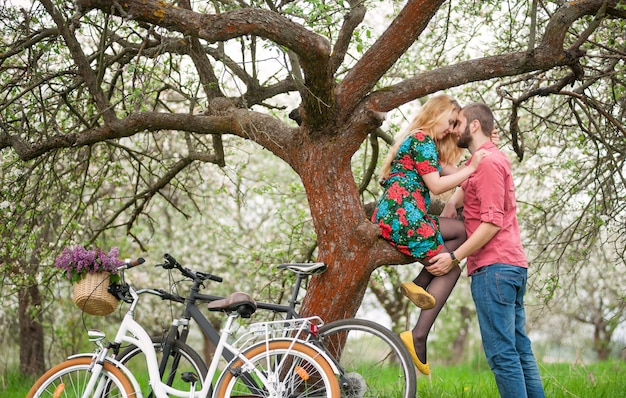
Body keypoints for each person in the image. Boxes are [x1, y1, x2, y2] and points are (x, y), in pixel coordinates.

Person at [430, 102, 545, 397]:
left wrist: (454, 257)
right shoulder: (485, 161)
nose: (453, 130)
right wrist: (454, 202)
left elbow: (491, 223)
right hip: (508, 267)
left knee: (502, 355)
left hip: (495, 269)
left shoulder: (490, 164)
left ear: (475, 126)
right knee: (519, 350)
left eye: (458, 124)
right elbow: (470, 183)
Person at [371, 94, 489, 375]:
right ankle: (418, 336)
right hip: (405, 217)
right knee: (450, 270)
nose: (450, 129)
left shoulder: (422, 143)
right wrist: (472, 167)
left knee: (463, 232)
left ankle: (421, 283)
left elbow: (455, 172)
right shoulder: (422, 139)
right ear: (436, 113)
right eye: (450, 122)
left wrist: (483, 148)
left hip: (403, 215)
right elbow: (437, 185)